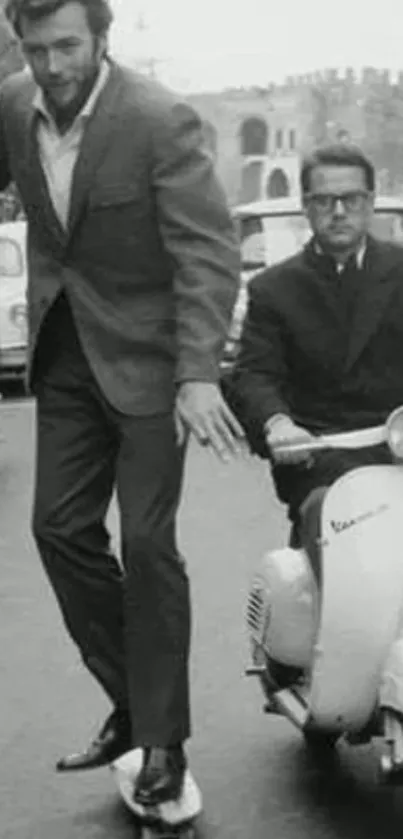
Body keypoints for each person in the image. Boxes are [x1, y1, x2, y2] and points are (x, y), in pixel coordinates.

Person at [2, 0, 243, 807]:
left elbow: (206, 251)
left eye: (67, 45)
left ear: (101, 37)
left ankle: (161, 741)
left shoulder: (156, 119)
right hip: (66, 356)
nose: (54, 67)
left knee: (146, 545)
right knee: (57, 529)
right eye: (36, 49)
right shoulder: (10, 104)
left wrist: (198, 371)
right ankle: (135, 701)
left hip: (148, 364)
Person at [230, 143, 403, 544]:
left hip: (398, 445)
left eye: (352, 199)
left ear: (371, 202)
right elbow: (255, 374)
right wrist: (277, 423)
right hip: (318, 454)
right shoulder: (274, 289)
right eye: (324, 201)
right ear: (305, 207)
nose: (339, 212)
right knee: (330, 520)